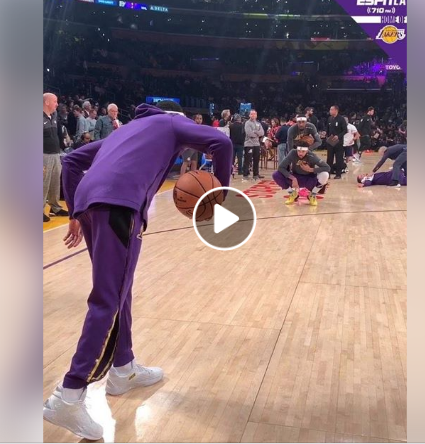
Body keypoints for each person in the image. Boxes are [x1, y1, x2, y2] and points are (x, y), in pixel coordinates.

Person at [43, 101, 233, 441]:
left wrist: (74, 213)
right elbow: (222, 142)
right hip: (120, 204)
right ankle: (68, 394)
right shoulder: (171, 123)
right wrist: (220, 196)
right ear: (179, 116)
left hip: (91, 203)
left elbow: (71, 161)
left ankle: (123, 368)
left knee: (119, 289)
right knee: (108, 299)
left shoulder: (128, 129)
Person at [272, 142, 330, 206]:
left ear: (307, 151)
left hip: (309, 178)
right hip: (296, 178)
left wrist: (311, 169)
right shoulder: (293, 153)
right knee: (276, 174)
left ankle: (312, 195)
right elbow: (281, 167)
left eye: (303, 151)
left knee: (325, 174)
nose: (300, 153)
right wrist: (293, 178)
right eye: (299, 151)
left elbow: (327, 167)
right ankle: (292, 194)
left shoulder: (312, 156)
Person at [43, 92, 69, 222]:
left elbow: (59, 133)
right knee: (43, 183)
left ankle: (55, 207)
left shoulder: (54, 115)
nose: (57, 104)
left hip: (55, 153)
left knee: (55, 182)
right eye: (55, 101)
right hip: (43, 155)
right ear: (47, 102)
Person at [326, 105, 347, 179]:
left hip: (338, 142)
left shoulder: (341, 119)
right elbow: (328, 129)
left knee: (339, 158)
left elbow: (345, 130)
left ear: (336, 110)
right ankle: (328, 173)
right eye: (330, 110)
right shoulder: (329, 119)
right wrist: (326, 135)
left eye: (331, 109)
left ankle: (338, 174)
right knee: (329, 158)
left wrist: (338, 136)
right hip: (330, 141)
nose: (330, 111)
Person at [243, 109, 265, 181]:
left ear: (256, 115)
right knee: (247, 160)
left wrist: (255, 132)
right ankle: (245, 175)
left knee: (256, 160)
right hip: (249, 144)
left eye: (254, 114)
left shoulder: (258, 123)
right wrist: (257, 134)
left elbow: (262, 132)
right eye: (252, 114)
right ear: (249, 115)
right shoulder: (247, 123)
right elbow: (249, 133)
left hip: (257, 144)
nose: (253, 115)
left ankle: (256, 174)